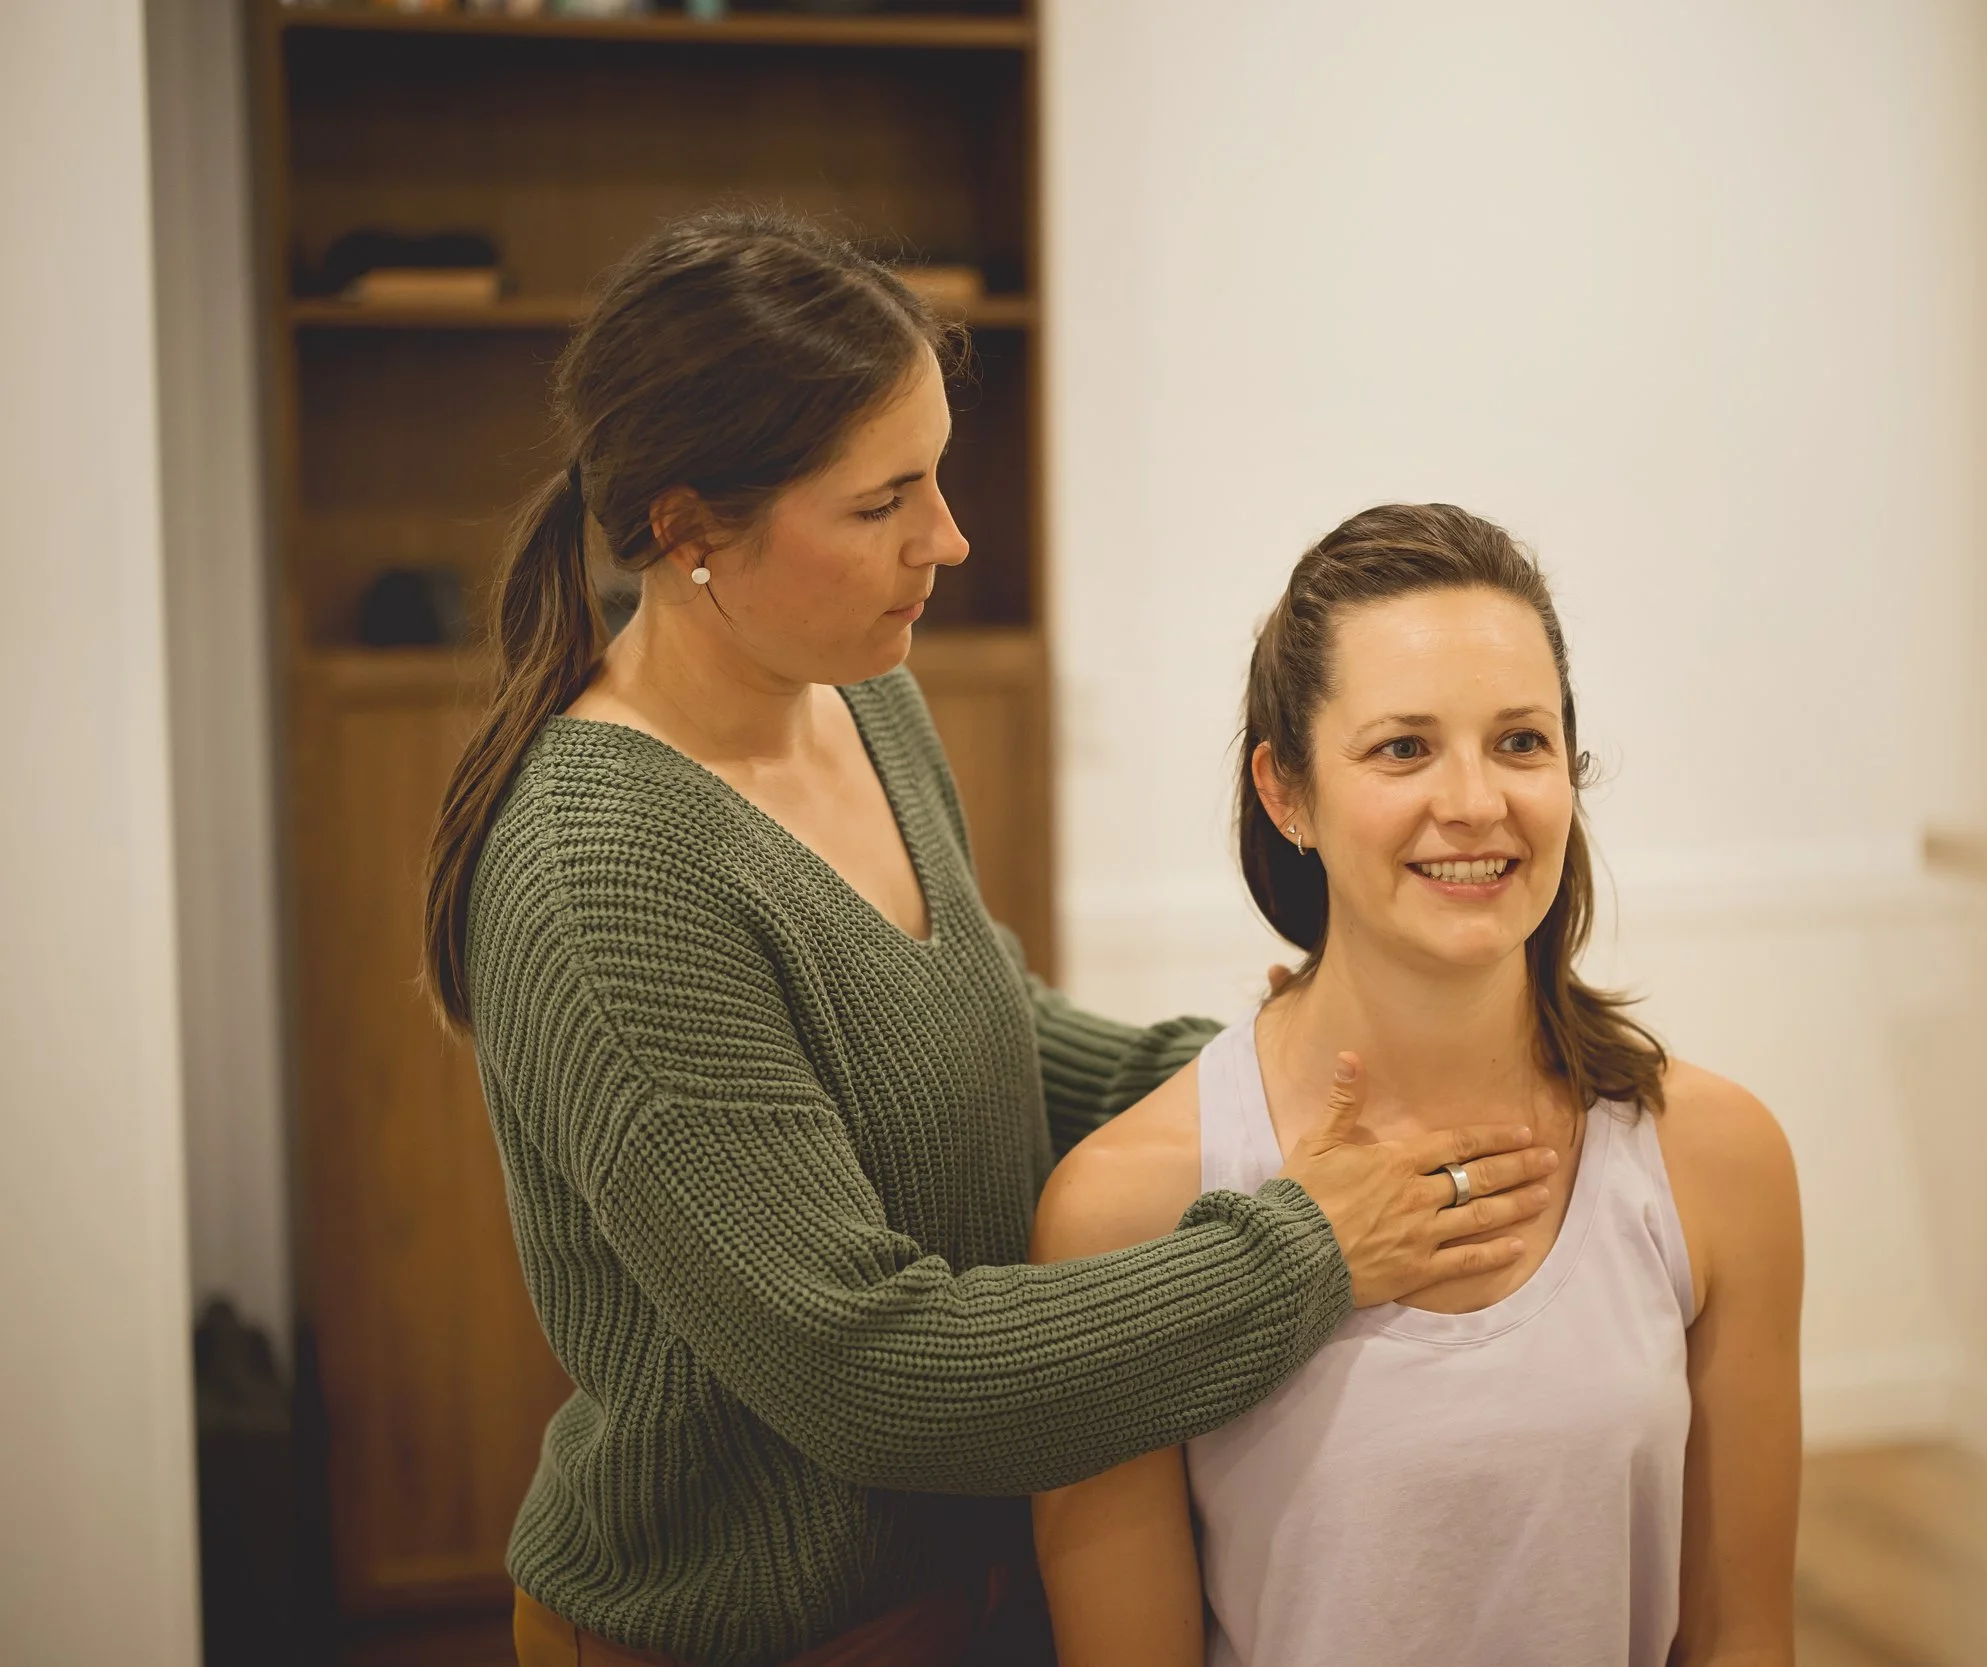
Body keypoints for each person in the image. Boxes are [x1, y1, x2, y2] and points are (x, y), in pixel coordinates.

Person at [419, 211, 1560, 1667]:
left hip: (967, 1593)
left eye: (938, 473)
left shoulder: (858, 691)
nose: (947, 536)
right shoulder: (601, 875)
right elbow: (869, 1369)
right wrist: (1304, 1248)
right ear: (689, 529)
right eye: (883, 499)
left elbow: (981, 1028)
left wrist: (1273, 1073)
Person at [1030, 504, 1805, 1666]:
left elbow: (1743, 1636)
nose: (1477, 802)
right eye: (1403, 747)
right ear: (1286, 792)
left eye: (1520, 741)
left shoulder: (1717, 1158)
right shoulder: (1124, 1209)